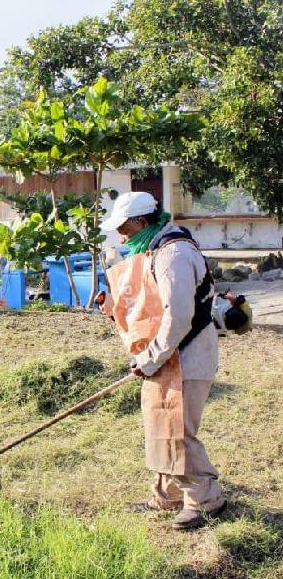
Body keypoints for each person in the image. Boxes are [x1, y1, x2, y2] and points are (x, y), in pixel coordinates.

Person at [100, 191, 225, 530]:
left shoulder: (174, 255)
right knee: (160, 424)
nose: (122, 236)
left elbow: (179, 317)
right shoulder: (153, 250)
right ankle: (166, 493)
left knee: (180, 431)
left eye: (124, 228)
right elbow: (148, 305)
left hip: (186, 355)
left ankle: (206, 498)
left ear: (141, 222)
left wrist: (152, 358)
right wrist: (114, 308)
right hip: (165, 355)